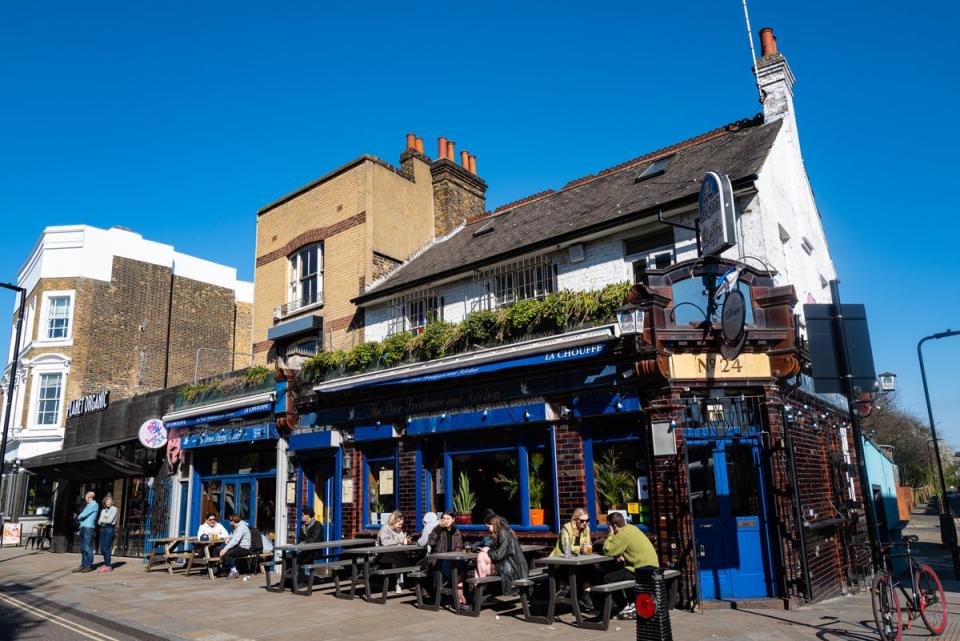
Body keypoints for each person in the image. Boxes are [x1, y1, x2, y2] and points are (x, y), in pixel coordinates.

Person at [602, 511, 659, 619]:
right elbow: (625, 547)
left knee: (608, 578)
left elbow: (608, 551)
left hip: (641, 569)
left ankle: (623, 606)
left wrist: (610, 535)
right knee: (623, 572)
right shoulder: (632, 528)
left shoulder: (622, 534)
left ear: (613, 526)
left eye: (608, 526)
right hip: (651, 566)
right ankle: (633, 603)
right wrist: (620, 553)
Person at [550, 507, 596, 610]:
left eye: (587, 520)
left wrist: (588, 548)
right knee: (585, 570)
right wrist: (580, 548)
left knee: (591, 568)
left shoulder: (586, 529)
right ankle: (585, 598)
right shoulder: (566, 528)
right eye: (582, 521)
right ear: (575, 520)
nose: (585, 523)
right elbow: (566, 545)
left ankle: (586, 596)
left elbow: (588, 544)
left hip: (577, 562)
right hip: (561, 563)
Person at [480, 515, 528, 596]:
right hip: (506, 564)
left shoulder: (503, 533)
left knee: (481, 558)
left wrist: (488, 551)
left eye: (488, 527)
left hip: (512, 568)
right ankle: (480, 594)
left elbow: (499, 555)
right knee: (480, 561)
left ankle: (480, 595)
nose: (487, 530)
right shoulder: (500, 532)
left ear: (493, 524)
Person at [425, 512, 465, 603]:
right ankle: (457, 595)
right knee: (454, 570)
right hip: (438, 560)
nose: (445, 521)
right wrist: (438, 528)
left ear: (453, 519)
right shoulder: (438, 530)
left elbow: (459, 547)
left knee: (463, 565)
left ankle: (458, 594)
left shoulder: (456, 532)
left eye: (448, 518)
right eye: (444, 518)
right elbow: (431, 543)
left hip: (452, 560)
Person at [376, 511, 410, 591]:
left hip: (394, 553)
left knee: (401, 558)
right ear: (393, 521)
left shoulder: (398, 529)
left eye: (401, 524)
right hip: (381, 555)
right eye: (399, 524)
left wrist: (405, 540)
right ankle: (400, 583)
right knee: (399, 560)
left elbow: (402, 540)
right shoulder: (385, 528)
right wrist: (400, 541)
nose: (401, 526)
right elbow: (385, 543)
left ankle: (401, 582)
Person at [218, 513, 252, 579]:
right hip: (239, 547)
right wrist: (228, 538)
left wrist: (225, 549)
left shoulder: (241, 527)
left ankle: (234, 571)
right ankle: (219, 568)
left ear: (233, 521)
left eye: (229, 521)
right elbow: (234, 536)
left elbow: (235, 541)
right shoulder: (238, 526)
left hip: (244, 548)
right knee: (218, 549)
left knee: (227, 554)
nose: (229, 522)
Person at [73, 491, 97, 573]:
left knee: (88, 547)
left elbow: (83, 514)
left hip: (88, 528)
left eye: (86, 497)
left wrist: (78, 517)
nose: (85, 498)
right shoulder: (88, 505)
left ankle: (88, 565)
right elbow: (83, 515)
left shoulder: (94, 504)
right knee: (83, 548)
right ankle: (83, 565)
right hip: (83, 527)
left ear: (88, 497)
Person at [96, 496, 118, 572]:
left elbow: (110, 520)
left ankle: (108, 566)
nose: (108, 502)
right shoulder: (103, 510)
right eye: (106, 501)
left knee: (106, 547)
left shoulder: (114, 509)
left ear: (112, 502)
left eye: (109, 501)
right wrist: (104, 520)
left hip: (110, 529)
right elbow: (99, 522)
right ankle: (106, 564)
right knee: (102, 548)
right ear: (104, 502)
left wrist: (103, 520)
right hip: (103, 529)